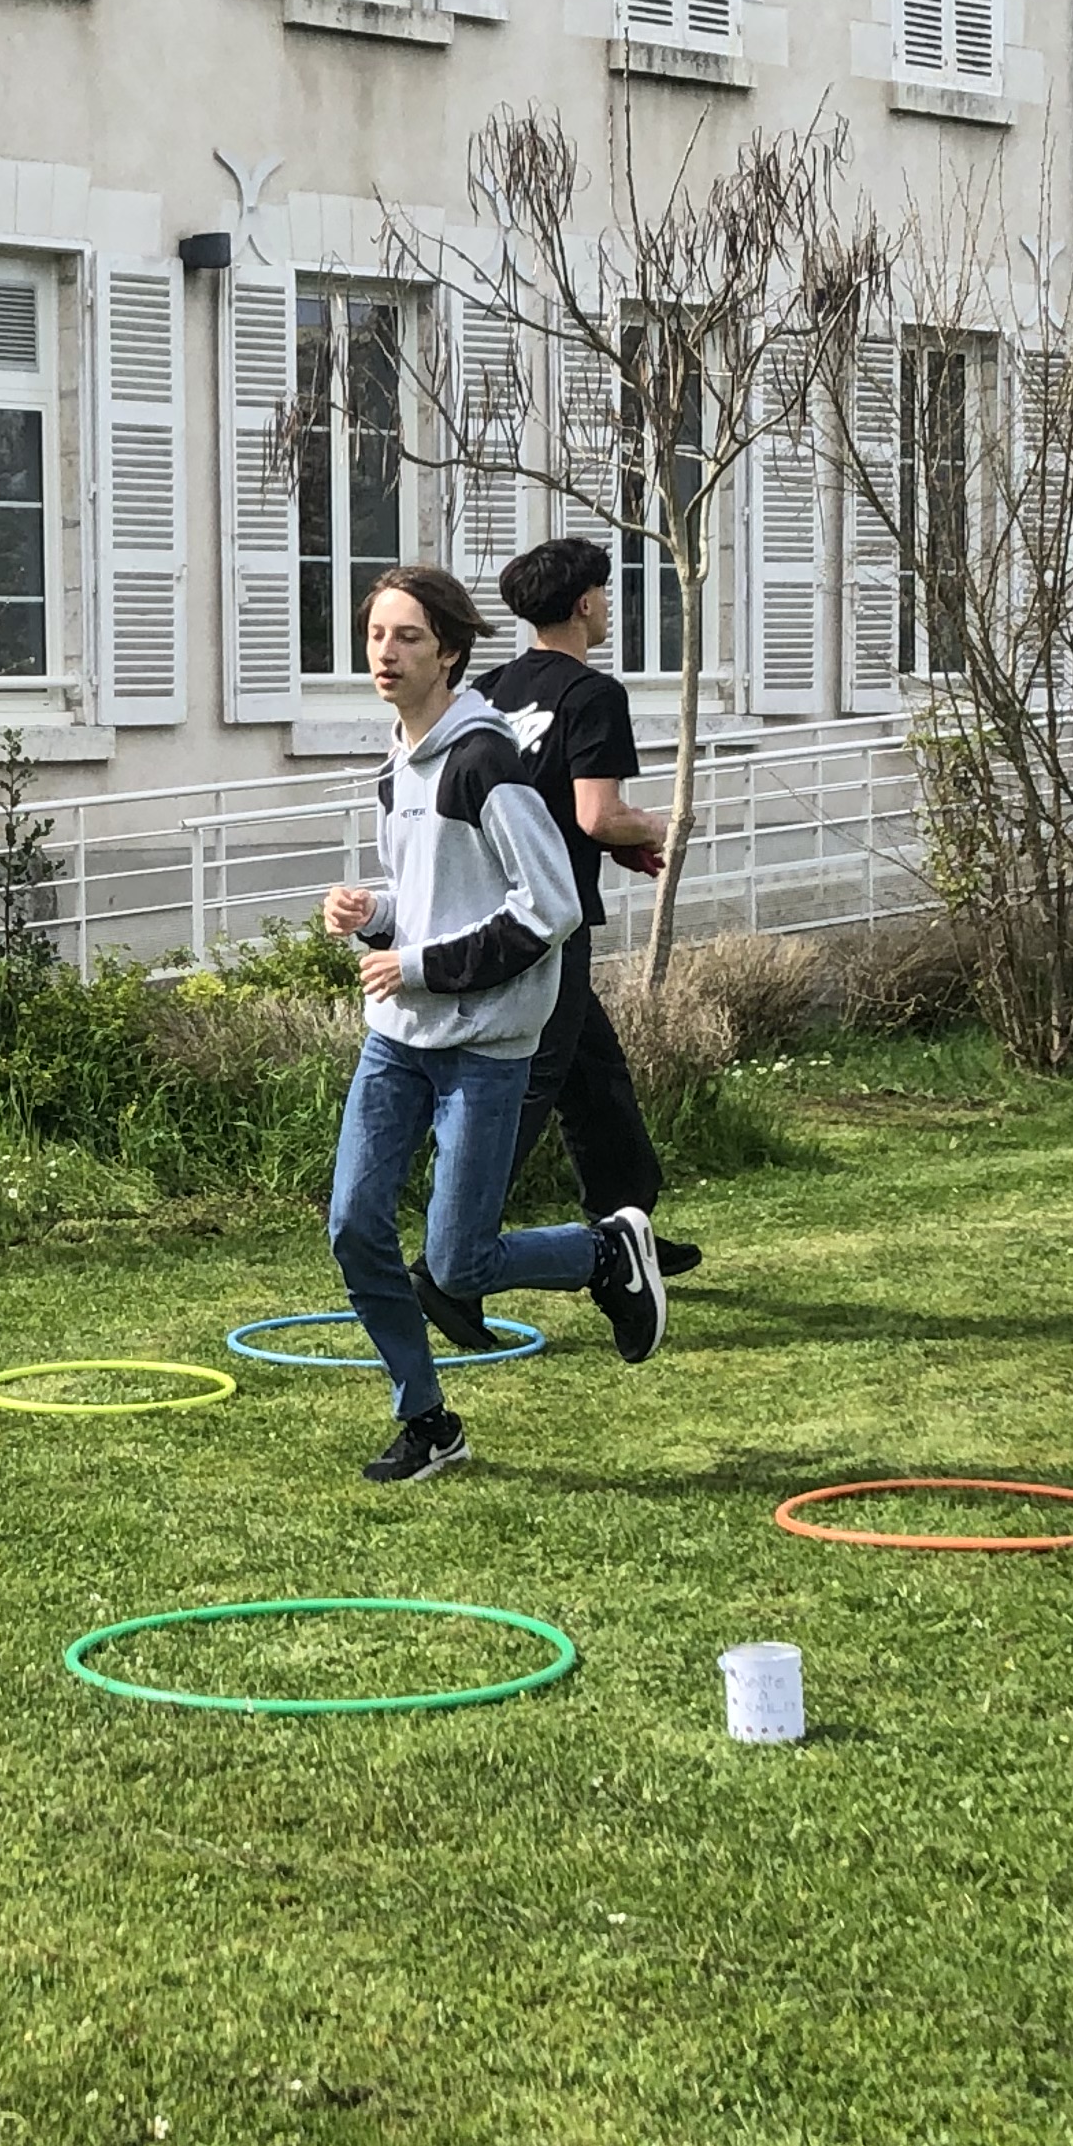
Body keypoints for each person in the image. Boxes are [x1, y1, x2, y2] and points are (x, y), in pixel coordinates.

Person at [318, 566, 669, 1487]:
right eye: (377, 635)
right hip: (399, 1037)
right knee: (353, 1224)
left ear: (449, 653)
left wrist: (421, 965)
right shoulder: (397, 763)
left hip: (485, 1044)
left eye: (408, 637)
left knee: (459, 1261)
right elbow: (435, 899)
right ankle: (427, 1420)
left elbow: (550, 906)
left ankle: (605, 1250)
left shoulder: (485, 762)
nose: (386, 653)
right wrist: (374, 914)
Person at [411, 533, 700, 1353]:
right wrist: (657, 827)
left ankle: (628, 1221)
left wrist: (607, 842)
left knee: (595, 1079)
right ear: (583, 604)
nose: (608, 606)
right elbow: (596, 813)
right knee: (527, 1091)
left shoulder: (491, 690)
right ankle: (448, 1263)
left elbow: (517, 800)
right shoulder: (593, 693)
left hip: (486, 910)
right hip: (546, 923)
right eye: (603, 593)